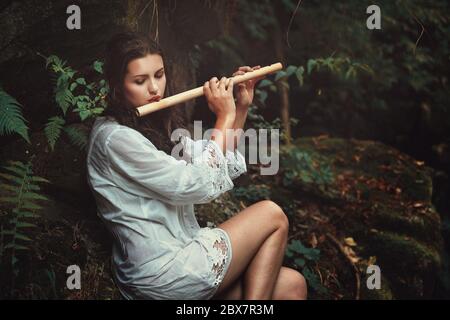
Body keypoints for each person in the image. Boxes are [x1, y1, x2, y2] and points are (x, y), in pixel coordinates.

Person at [86, 31, 307, 300]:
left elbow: (214, 156)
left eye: (159, 75)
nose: (155, 89)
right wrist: (223, 116)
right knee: (271, 214)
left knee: (292, 285)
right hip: (161, 272)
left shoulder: (154, 124)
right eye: (140, 81)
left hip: (185, 253)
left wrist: (240, 107)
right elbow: (197, 183)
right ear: (117, 87)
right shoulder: (115, 138)